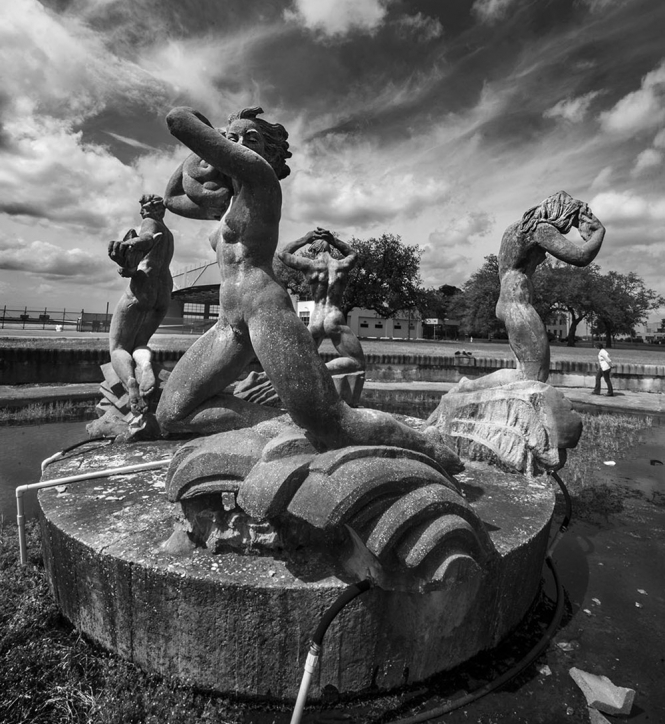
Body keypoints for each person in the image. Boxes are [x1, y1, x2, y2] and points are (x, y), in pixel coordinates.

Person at [155, 106, 462, 475]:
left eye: (250, 140)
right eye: (232, 139)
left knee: (334, 421)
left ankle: (431, 450)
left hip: (264, 310)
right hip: (229, 321)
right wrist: (213, 147)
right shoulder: (226, 203)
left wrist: (205, 126)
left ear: (268, 154)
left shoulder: (259, 179)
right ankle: (285, 427)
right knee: (173, 412)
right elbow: (172, 198)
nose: (236, 145)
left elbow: (178, 121)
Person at [457, 191, 605, 393]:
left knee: (531, 373)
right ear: (561, 213)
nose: (570, 226)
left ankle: (471, 388)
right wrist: (598, 233)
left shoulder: (516, 228)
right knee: (533, 375)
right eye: (572, 220)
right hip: (516, 302)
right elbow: (580, 257)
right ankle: (469, 387)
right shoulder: (540, 229)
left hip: (509, 299)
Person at [108, 194, 174, 413]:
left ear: (155, 210)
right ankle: (144, 365)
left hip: (142, 286)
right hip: (163, 292)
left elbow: (146, 237)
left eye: (145, 208)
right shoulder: (169, 234)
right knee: (140, 342)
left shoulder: (151, 223)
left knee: (117, 347)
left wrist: (128, 244)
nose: (141, 212)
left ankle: (130, 382)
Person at [278, 227, 365, 375]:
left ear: (313, 250)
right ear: (330, 249)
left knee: (298, 361)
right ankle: (320, 370)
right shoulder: (341, 265)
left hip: (316, 318)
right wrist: (335, 241)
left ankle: (306, 374)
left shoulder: (309, 265)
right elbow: (353, 254)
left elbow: (283, 254)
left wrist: (305, 238)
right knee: (357, 362)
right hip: (333, 316)